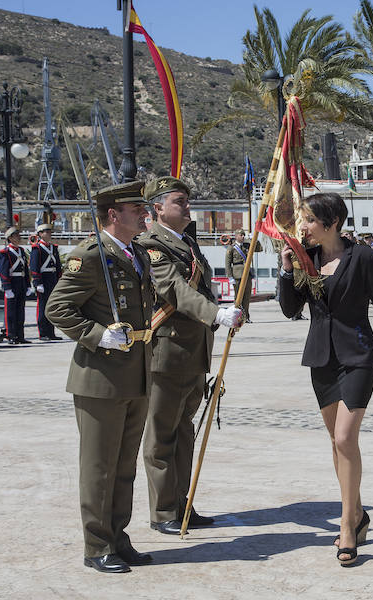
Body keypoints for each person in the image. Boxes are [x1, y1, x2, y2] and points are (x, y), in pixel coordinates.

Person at [277, 192, 373, 566]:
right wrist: (287, 269)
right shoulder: (306, 258)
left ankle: (347, 526)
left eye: (309, 220)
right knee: (336, 442)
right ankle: (358, 512)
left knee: (346, 437)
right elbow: (290, 309)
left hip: (358, 356)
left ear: (332, 223)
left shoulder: (363, 256)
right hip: (322, 359)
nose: (303, 227)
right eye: (303, 220)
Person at [45, 180, 155, 574]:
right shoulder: (91, 255)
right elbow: (57, 308)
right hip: (100, 376)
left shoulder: (136, 253)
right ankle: (97, 545)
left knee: (124, 466)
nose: (144, 214)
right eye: (136, 209)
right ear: (113, 214)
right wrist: (97, 334)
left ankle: (117, 537)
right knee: (99, 466)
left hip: (135, 372)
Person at [137, 176, 244, 536]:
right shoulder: (151, 245)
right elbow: (174, 289)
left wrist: (221, 313)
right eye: (179, 201)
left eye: (187, 200)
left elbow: (200, 289)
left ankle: (182, 504)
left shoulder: (187, 243)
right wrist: (216, 314)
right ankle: (163, 510)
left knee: (184, 433)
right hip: (166, 353)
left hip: (193, 353)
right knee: (161, 436)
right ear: (158, 208)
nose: (187, 206)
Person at [30, 223, 63, 340]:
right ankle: (43, 333)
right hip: (43, 280)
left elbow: (58, 265)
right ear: (40, 234)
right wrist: (37, 283)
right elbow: (34, 267)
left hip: (52, 279)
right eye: (46, 232)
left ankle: (51, 332)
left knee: (52, 307)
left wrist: (59, 280)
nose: (49, 234)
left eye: (50, 232)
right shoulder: (37, 248)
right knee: (43, 307)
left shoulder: (53, 248)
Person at [0, 226, 32, 344]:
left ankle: (20, 335)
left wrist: (28, 284)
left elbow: (25, 269)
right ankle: (11, 335)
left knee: (20, 311)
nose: (19, 237)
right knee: (10, 312)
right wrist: (7, 287)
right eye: (16, 235)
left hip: (21, 282)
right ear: (10, 238)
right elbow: (3, 271)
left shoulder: (21, 251)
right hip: (12, 283)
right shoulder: (5, 252)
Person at [225, 228, 263, 323]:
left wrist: (254, 239)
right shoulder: (231, 248)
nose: (243, 237)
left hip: (247, 274)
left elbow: (259, 249)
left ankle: (246, 317)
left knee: (247, 297)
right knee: (238, 298)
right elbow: (227, 264)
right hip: (237, 275)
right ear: (236, 236)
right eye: (241, 235)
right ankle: (237, 317)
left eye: (243, 235)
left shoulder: (247, 245)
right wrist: (230, 277)